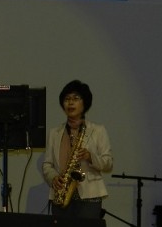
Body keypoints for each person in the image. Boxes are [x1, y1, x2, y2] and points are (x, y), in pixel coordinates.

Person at [42, 80, 113, 219]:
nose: (70, 103)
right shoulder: (54, 132)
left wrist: (90, 157)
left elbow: (108, 163)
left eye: (75, 98)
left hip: (89, 197)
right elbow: (47, 165)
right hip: (61, 196)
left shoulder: (98, 130)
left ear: (85, 102)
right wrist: (53, 178)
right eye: (67, 99)